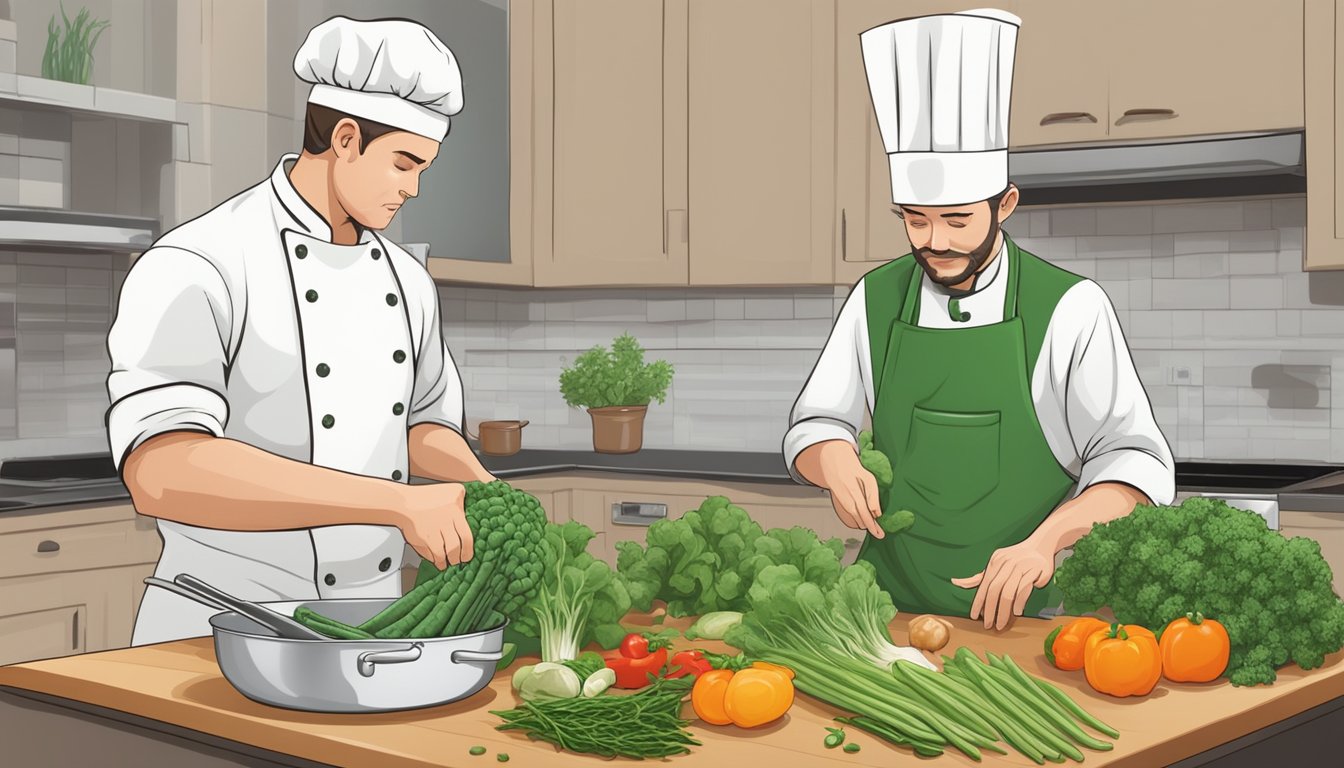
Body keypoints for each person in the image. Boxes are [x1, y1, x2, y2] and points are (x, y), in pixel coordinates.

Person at [106, 17, 494, 645]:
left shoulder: (408, 280)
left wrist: (485, 490)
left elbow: (421, 424)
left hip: (377, 627)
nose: (413, 188)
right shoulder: (199, 262)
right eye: (403, 163)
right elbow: (161, 469)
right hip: (219, 625)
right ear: (345, 139)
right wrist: (395, 504)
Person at [784, 9, 1175, 630]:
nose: (933, 240)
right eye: (915, 219)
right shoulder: (875, 297)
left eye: (958, 220)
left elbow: (1133, 463)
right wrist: (832, 458)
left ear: (1006, 205)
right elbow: (815, 423)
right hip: (886, 613)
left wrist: (1047, 541)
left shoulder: (1071, 307)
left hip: (1032, 619)